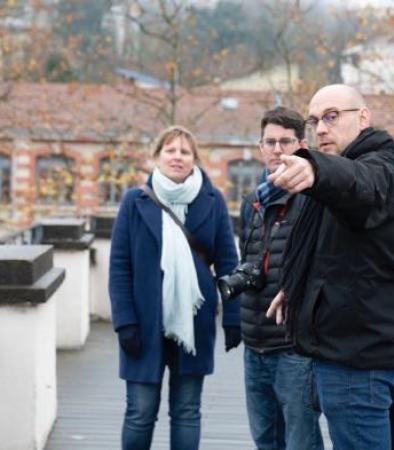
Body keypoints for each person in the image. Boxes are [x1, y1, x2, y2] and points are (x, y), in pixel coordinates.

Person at [266, 84, 394, 449]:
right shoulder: (337, 177)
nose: (320, 128)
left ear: (363, 118)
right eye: (315, 120)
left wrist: (315, 169)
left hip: (358, 360)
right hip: (338, 353)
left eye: (332, 117)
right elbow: (332, 250)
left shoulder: (382, 170)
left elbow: (357, 186)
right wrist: (295, 288)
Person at [109, 125, 241, 450]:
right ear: (157, 156)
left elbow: (228, 262)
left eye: (184, 151)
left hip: (193, 322)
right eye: (170, 150)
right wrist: (125, 322)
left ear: (194, 158)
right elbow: (119, 267)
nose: (177, 157)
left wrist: (233, 317)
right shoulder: (134, 201)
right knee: (140, 412)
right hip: (142, 323)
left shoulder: (212, 200)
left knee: (186, 412)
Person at [238, 106, 323, 450]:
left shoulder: (314, 199)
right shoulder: (253, 201)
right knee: (265, 440)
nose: (277, 150)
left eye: (285, 142)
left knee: (301, 440)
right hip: (254, 341)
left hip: (294, 346)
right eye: (269, 142)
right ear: (260, 147)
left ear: (302, 145)